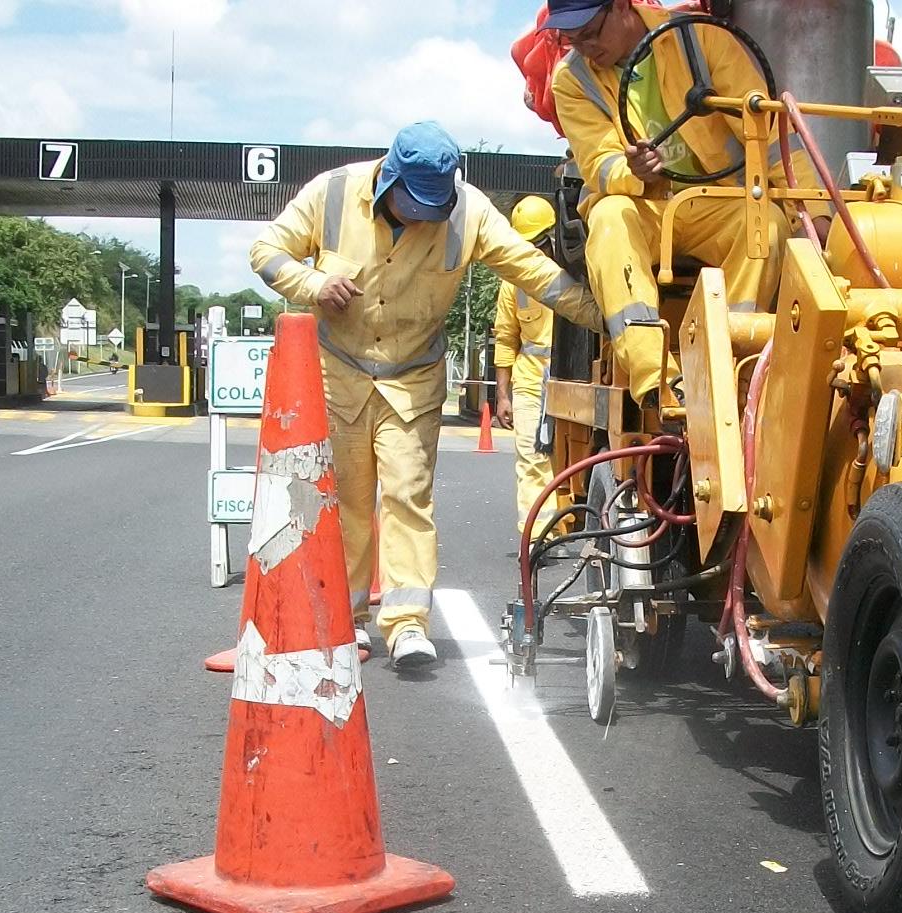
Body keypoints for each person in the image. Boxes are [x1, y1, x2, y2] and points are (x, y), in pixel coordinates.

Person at [250, 122, 601, 668]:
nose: (423, 218)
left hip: (411, 380)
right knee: (345, 501)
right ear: (389, 179)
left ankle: (407, 624)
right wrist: (312, 284)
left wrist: (608, 318)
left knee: (409, 497)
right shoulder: (334, 192)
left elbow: (535, 273)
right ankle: (347, 621)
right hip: (337, 375)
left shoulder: (469, 213)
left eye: (433, 207)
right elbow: (266, 250)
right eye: (414, 204)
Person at [544, 0, 820, 418]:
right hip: (645, 208)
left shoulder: (700, 39)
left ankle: (728, 363)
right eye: (572, 38)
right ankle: (658, 381)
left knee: (765, 222)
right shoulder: (572, 80)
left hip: (715, 201)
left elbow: (765, 136)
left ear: (622, 6)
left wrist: (815, 210)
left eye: (591, 32)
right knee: (609, 217)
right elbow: (598, 162)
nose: (584, 47)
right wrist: (633, 171)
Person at [494, 195, 568, 543]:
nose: (534, 253)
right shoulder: (513, 283)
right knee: (531, 458)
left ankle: (561, 525)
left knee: (564, 460)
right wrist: (502, 395)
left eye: (539, 244)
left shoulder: (575, 275)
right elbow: (506, 339)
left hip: (569, 380)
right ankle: (537, 536)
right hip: (529, 383)